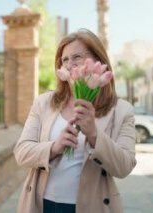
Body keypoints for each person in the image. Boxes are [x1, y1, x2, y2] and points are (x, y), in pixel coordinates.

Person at [14, 29, 137, 213]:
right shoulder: (44, 103)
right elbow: (21, 153)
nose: (70, 65)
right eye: (65, 60)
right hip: (41, 204)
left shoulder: (122, 110)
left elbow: (124, 166)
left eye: (77, 57)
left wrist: (94, 135)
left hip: (92, 206)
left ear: (98, 61)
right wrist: (54, 147)